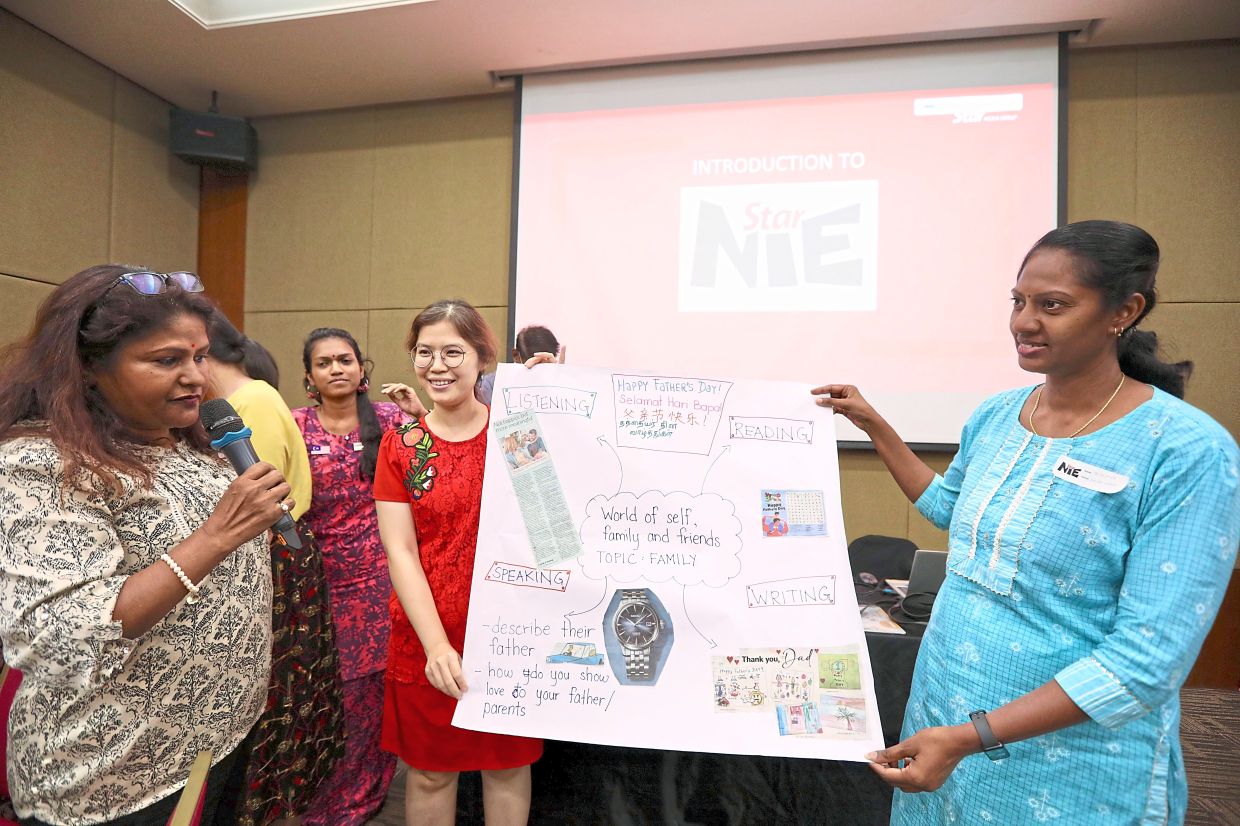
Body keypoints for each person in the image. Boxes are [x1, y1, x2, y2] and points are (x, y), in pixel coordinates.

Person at [812, 221, 1239, 824]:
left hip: (1068, 762)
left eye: (1053, 305)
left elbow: (1145, 664)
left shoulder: (1186, 451)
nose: (1024, 321)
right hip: (942, 715)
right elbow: (950, 509)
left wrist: (972, 737)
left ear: (1125, 312)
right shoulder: (998, 414)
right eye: (1018, 301)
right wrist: (874, 424)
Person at [0, 265, 288, 825]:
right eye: (166, 360)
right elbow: (66, 632)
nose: (196, 377)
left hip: (214, 736)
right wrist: (219, 535)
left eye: (200, 356)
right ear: (88, 368)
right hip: (116, 770)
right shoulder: (40, 464)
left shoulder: (185, 442)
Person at [375, 299, 543, 825]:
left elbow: (552, 531)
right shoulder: (401, 445)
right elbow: (400, 551)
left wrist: (555, 399)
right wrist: (435, 646)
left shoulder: (518, 433)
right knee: (429, 773)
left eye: (452, 352)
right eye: (424, 353)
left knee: (507, 767)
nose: (437, 366)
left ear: (481, 358)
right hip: (427, 638)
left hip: (508, 637)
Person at [204, 313, 344, 826]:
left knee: (274, 699)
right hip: (265, 556)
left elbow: (256, 511)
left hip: (272, 557)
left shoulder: (253, 403)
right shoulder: (247, 399)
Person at [291, 328, 406, 826]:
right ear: (309, 377)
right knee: (320, 696)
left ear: (362, 369)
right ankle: (317, 796)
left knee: (369, 697)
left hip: (382, 581)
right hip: (315, 584)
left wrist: (420, 415)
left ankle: (358, 798)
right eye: (324, 363)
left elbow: (429, 476)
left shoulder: (392, 420)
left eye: (345, 360)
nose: (336, 369)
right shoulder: (294, 426)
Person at [476, 324, 563, 405]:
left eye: (543, 365)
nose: (538, 371)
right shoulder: (490, 386)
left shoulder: (558, 384)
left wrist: (557, 383)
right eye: (534, 364)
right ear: (516, 356)